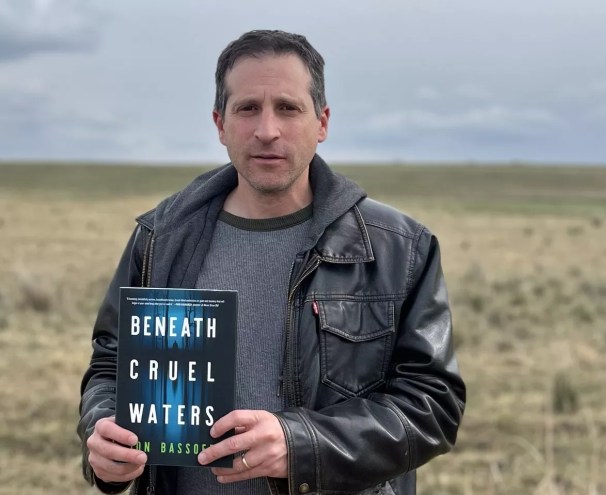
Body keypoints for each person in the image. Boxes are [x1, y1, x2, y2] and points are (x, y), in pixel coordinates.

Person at [78, 29, 466, 495]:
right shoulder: (161, 238)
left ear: (321, 122)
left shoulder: (399, 249)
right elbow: (111, 368)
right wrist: (103, 435)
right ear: (220, 123)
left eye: (288, 107)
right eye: (247, 108)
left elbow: (432, 406)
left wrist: (300, 445)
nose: (267, 130)